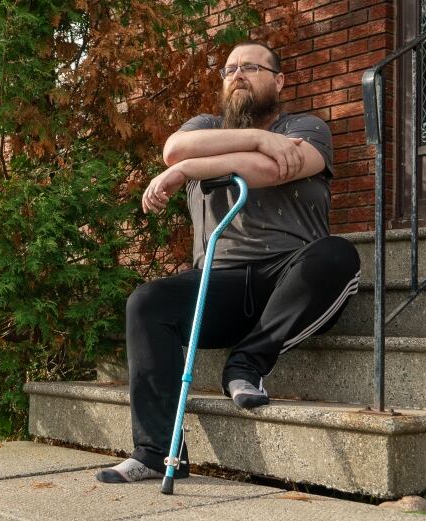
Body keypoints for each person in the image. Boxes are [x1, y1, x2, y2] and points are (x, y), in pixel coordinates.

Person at [96, 41, 361, 484]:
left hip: (291, 280)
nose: (238, 74)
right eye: (230, 68)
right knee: (147, 302)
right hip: (218, 284)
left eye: (252, 67)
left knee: (338, 255)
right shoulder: (203, 125)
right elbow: (175, 149)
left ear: (277, 82)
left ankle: (246, 366)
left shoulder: (309, 127)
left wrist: (190, 170)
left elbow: (275, 170)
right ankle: (156, 451)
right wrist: (259, 139)